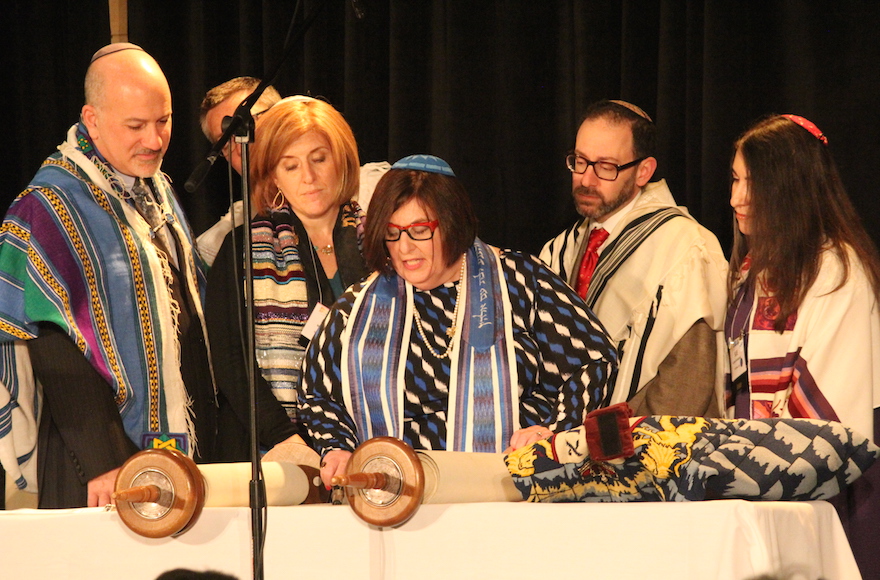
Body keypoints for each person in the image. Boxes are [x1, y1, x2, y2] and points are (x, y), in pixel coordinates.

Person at [298, 154, 618, 487]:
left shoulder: (520, 282)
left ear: (451, 223)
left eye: (419, 230)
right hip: (397, 496)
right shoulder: (357, 308)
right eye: (392, 233)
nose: (404, 248)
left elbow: (595, 360)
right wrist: (337, 447)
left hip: (510, 488)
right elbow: (316, 395)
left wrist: (554, 433)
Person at [0, 44, 218, 508]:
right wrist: (102, 459)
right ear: (92, 119)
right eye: (136, 126)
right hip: (97, 460)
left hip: (175, 454)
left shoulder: (154, 190)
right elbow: (53, 345)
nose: (156, 140)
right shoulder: (49, 206)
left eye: (164, 121)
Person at [726, 113, 880, 577]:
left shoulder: (836, 272)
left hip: (826, 495)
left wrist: (751, 465)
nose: (736, 198)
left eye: (752, 183)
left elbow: (833, 414)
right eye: (734, 180)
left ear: (790, 186)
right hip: (758, 495)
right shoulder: (751, 273)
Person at [205, 96, 369, 461]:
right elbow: (232, 362)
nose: (308, 178)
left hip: (376, 443)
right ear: (273, 175)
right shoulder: (240, 249)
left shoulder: (381, 242)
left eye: (319, 159)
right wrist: (286, 439)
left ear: (341, 160)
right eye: (290, 166)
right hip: (281, 451)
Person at [540, 100, 728, 417]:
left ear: (643, 171)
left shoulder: (683, 248)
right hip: (567, 446)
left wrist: (626, 454)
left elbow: (686, 383)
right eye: (580, 161)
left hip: (645, 450)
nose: (586, 179)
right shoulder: (559, 251)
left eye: (606, 167)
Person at [196, 77, 282, 265]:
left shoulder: (360, 193)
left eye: (248, 128)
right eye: (226, 142)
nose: (240, 147)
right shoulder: (216, 247)